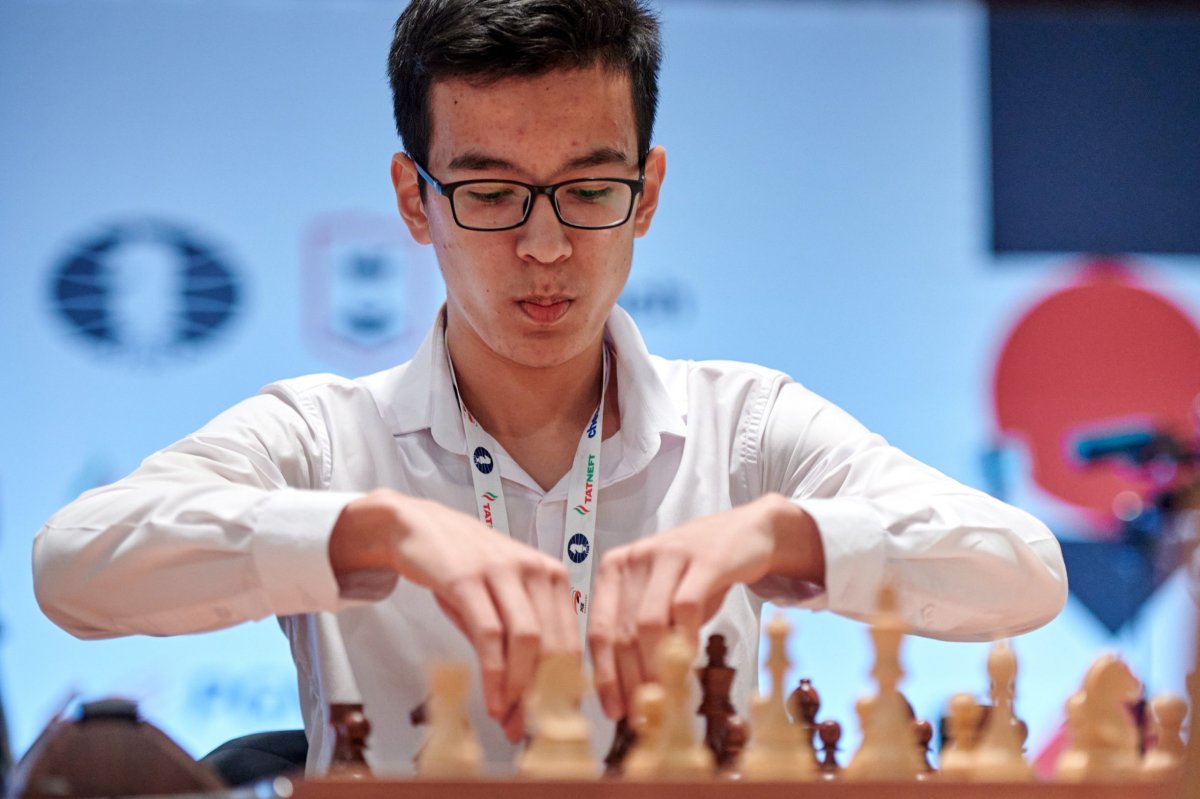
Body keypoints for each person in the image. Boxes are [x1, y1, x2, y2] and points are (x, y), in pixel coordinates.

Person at [33, 0, 1067, 774]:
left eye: (588, 189)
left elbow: (1024, 573)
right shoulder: (321, 437)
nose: (543, 244)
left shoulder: (746, 429)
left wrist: (777, 534)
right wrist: (373, 530)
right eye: (489, 193)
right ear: (414, 200)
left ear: (647, 194)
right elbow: (71, 568)